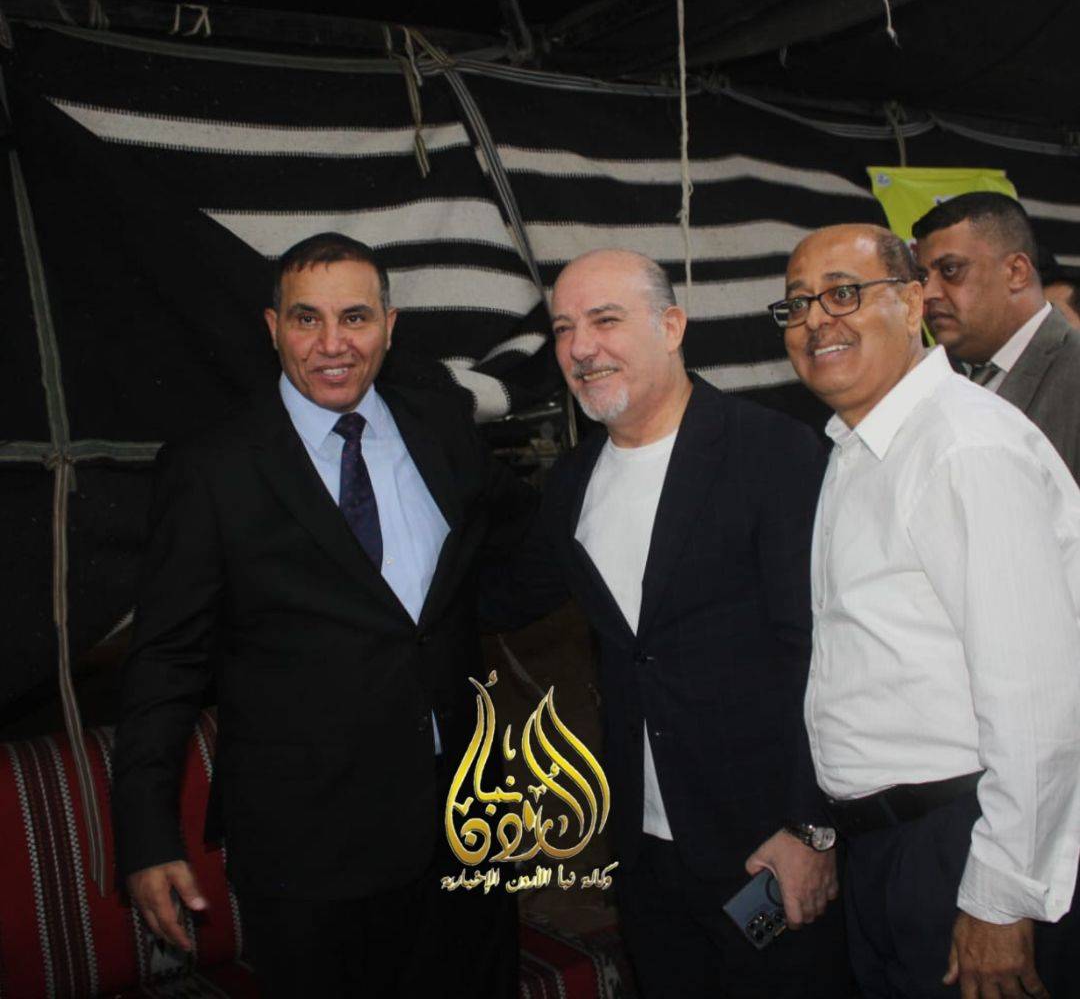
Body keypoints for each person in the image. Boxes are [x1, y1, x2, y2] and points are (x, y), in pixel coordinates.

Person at [112, 233, 529, 997]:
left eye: (355, 318)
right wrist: (146, 837)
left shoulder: (441, 428)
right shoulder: (212, 467)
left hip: (468, 827)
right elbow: (165, 661)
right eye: (307, 319)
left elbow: (509, 554)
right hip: (310, 853)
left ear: (389, 327)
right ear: (273, 327)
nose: (333, 344)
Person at [483, 249, 850, 999]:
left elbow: (825, 655)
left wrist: (812, 830)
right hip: (645, 857)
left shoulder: (773, 452)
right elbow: (503, 598)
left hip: (767, 848)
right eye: (564, 328)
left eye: (605, 320)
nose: (581, 348)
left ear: (672, 326)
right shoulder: (574, 480)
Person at [776, 222, 1080, 998]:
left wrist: (1002, 894)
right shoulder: (861, 448)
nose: (816, 320)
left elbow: (1037, 698)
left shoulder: (962, 447)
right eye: (797, 304)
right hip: (889, 851)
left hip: (966, 844)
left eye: (844, 293)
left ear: (912, 305)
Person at [913, 192, 1080, 481]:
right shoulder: (924, 380)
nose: (928, 294)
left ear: (1016, 272)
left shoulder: (1073, 371)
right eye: (923, 277)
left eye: (950, 270)